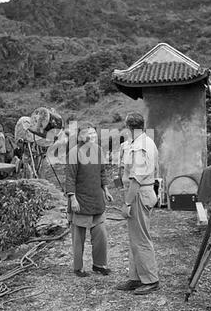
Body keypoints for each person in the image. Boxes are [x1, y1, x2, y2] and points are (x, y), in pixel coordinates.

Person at [117, 112, 160, 295]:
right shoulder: (135, 143)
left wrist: (127, 203)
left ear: (128, 126)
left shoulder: (142, 146)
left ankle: (151, 279)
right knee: (134, 239)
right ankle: (136, 277)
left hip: (139, 193)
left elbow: (137, 179)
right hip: (138, 192)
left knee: (141, 238)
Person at [65, 122, 113, 277]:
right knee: (78, 239)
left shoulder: (98, 150)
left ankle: (99, 265)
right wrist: (72, 199)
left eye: (94, 133)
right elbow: (70, 178)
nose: (92, 136)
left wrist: (106, 189)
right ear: (80, 136)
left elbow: (102, 172)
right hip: (80, 200)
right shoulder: (74, 152)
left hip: (97, 199)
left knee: (101, 236)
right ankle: (78, 268)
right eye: (88, 134)